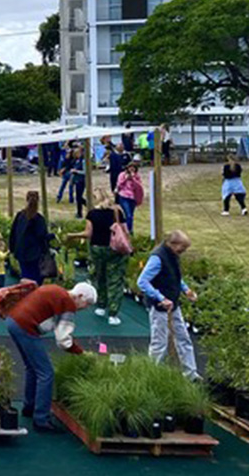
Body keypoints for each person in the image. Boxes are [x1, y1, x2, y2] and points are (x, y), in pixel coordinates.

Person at [5, 282, 97, 432]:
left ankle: (29, 407)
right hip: (25, 326)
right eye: (86, 304)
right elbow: (63, 341)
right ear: (79, 296)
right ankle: (41, 419)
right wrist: (81, 353)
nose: (85, 308)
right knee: (46, 373)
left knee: (32, 367)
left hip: (13, 320)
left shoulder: (57, 290)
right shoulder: (68, 303)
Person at [137, 231, 200, 380]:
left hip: (174, 304)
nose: (183, 252)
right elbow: (142, 282)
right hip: (160, 307)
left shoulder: (173, 256)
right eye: (182, 248)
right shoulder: (157, 258)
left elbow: (175, 276)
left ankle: (191, 374)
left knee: (183, 337)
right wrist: (160, 297)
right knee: (159, 343)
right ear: (173, 244)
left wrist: (186, 290)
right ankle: (152, 376)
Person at [84, 192, 128, 326]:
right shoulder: (117, 213)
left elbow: (88, 233)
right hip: (113, 249)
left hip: (97, 249)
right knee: (115, 280)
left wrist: (72, 236)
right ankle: (113, 314)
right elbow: (125, 230)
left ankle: (101, 306)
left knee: (100, 276)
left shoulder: (92, 214)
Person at [9, 191, 48, 283]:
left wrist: (12, 248)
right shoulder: (38, 219)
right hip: (35, 253)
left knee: (25, 275)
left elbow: (13, 232)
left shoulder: (20, 216)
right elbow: (42, 236)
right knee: (36, 277)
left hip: (21, 252)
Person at [114, 162, 144, 233]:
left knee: (131, 215)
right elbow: (119, 185)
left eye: (133, 168)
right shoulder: (122, 175)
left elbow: (139, 187)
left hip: (133, 198)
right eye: (130, 167)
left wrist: (133, 179)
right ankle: (128, 231)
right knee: (128, 214)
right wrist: (126, 179)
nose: (132, 169)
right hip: (124, 196)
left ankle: (129, 229)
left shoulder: (137, 176)